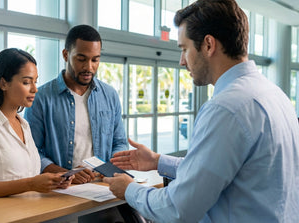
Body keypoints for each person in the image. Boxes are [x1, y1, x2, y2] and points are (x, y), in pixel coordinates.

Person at [103, 0, 299, 222]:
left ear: (208, 45)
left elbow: (178, 208)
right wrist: (158, 161)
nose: (182, 61)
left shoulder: (226, 108)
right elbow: (222, 170)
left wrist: (129, 189)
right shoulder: (275, 95)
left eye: (184, 49)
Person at [0, 48, 73, 201]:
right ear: (3, 83)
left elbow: (26, 177)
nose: (34, 89)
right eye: (26, 82)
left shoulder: (23, 124)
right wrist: (31, 184)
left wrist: (52, 182)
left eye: (35, 81)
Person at [24, 25, 127, 184]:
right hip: (60, 188)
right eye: (81, 59)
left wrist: (108, 168)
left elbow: (119, 143)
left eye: (95, 59)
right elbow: (33, 151)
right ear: (66, 55)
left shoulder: (110, 95)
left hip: (103, 186)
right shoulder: (41, 98)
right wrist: (66, 174)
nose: (89, 67)